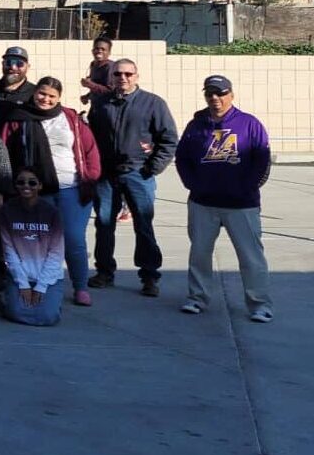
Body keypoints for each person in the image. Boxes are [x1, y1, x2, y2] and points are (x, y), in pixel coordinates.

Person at [175, 75, 273, 322]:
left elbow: (262, 160)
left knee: (251, 256)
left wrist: (247, 187)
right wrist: (193, 184)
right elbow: (182, 157)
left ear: (231, 94)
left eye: (220, 93)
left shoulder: (249, 124)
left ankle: (259, 304)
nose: (215, 98)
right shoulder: (196, 125)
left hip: (241, 205)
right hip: (203, 203)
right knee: (199, 254)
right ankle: (197, 298)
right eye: (210, 93)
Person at [0, 78, 101, 305]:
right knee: (38, 241)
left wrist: (90, 178)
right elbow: (5, 152)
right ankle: (37, 285)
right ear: (35, 93)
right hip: (35, 191)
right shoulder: (18, 118)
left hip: (71, 189)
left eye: (51, 96)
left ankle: (80, 286)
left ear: (59, 98)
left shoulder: (70, 118)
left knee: (73, 239)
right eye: (42, 94)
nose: (45, 99)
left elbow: (90, 150)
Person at [87, 58, 178, 297]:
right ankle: (104, 271)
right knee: (104, 224)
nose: (123, 78)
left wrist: (152, 168)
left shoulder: (153, 103)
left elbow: (169, 140)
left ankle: (149, 276)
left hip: (139, 174)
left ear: (136, 76)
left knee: (143, 225)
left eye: (128, 74)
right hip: (107, 175)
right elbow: (91, 137)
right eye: (118, 74)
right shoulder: (101, 103)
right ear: (111, 78)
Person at [0, 169, 66, 326]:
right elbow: (9, 251)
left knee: (48, 317)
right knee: (14, 312)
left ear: (40, 186)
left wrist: (41, 286)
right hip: (20, 275)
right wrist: (23, 284)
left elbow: (56, 253)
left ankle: (51, 305)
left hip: (48, 277)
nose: (26, 186)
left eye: (32, 182)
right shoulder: (6, 211)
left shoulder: (52, 213)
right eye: (21, 182)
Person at [80, 36, 117, 106]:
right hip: (95, 106)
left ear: (109, 53)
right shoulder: (93, 65)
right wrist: (87, 96)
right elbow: (98, 86)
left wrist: (90, 84)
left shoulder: (110, 67)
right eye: (97, 48)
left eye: (103, 49)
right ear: (92, 51)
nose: (99, 51)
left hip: (108, 107)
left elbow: (111, 91)